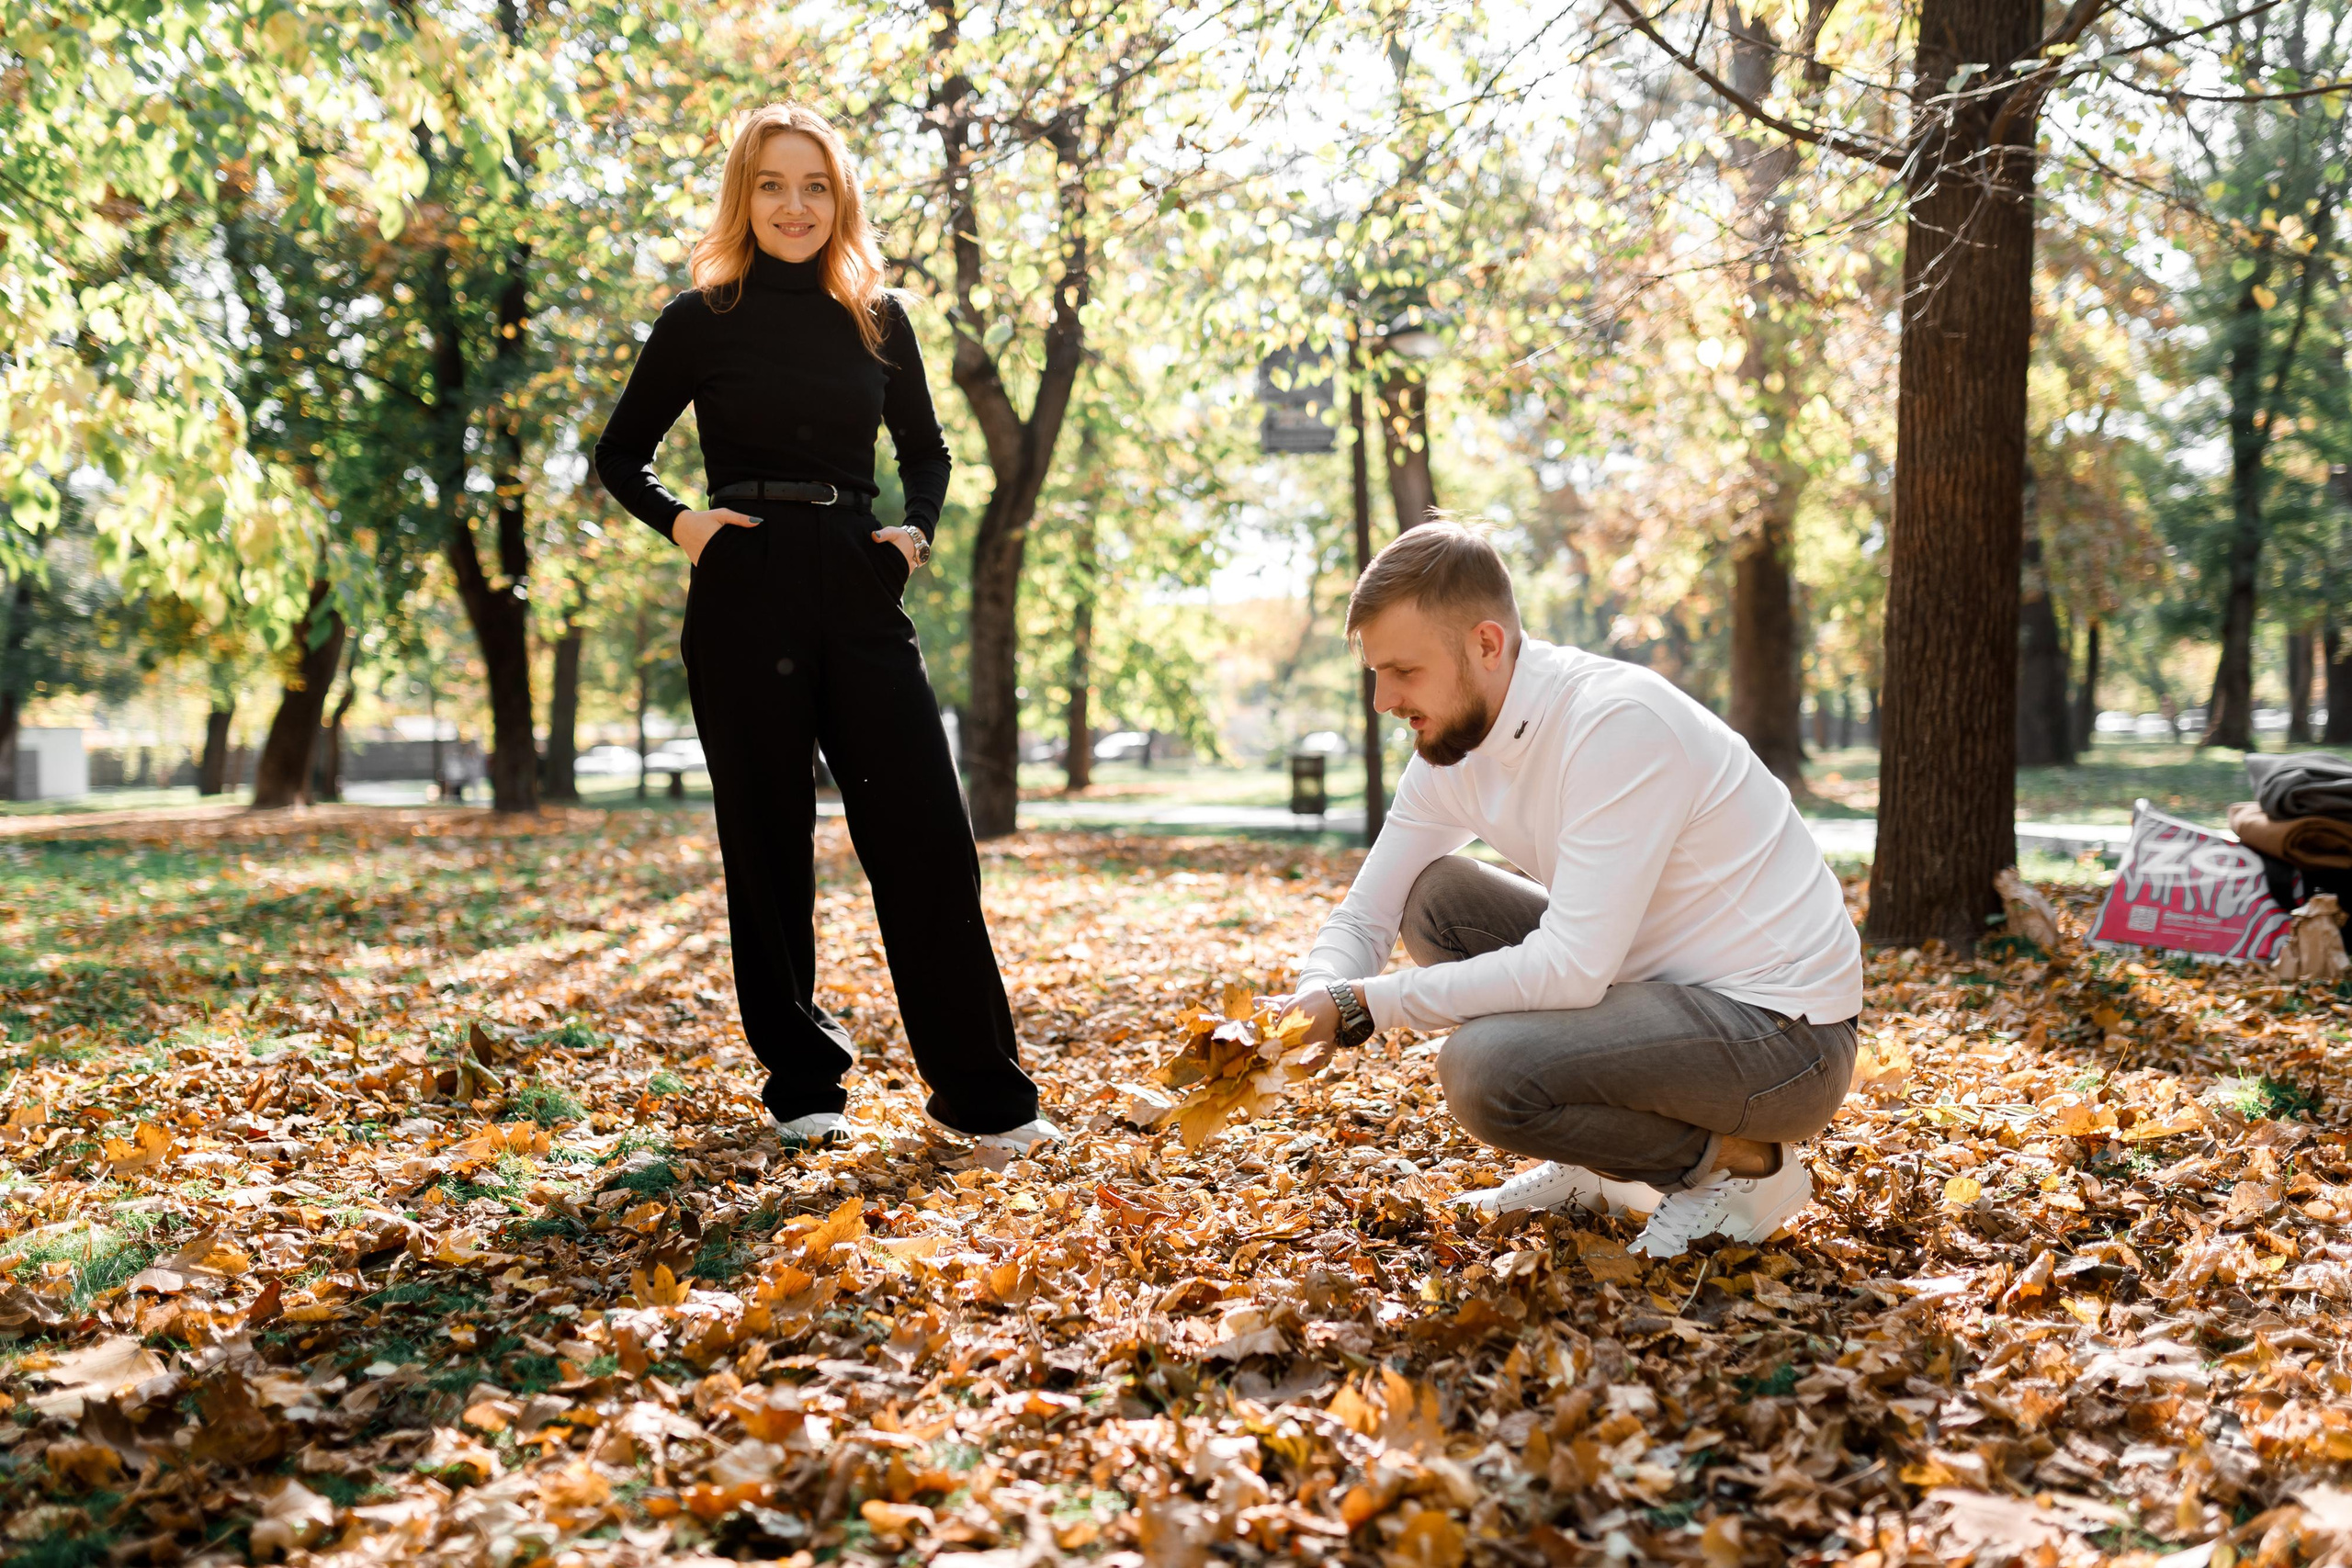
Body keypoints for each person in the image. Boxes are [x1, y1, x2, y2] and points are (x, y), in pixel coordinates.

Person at [593, 103, 1054, 1156]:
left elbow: (926, 452)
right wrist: (686, 525)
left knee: (928, 840)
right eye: (770, 184)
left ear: (838, 197)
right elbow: (622, 454)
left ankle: (983, 1097)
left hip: (856, 580)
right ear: (741, 196)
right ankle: (802, 1080)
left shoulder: (876, 317)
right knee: (766, 841)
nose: (792, 205)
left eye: (813, 185)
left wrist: (912, 536)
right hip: (743, 582)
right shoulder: (698, 317)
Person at [1274, 524, 1862, 1258]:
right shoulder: (1454, 747)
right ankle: (1597, 1165)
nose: (1382, 699)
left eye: (1403, 671)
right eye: (1375, 672)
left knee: (1484, 1069)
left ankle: (1743, 1170)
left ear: (1487, 645)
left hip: (1784, 1037)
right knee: (1437, 897)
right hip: (1653, 989)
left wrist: (1365, 1005)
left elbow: (1573, 966)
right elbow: (1371, 907)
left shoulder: (1613, 725)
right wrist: (1314, 997)